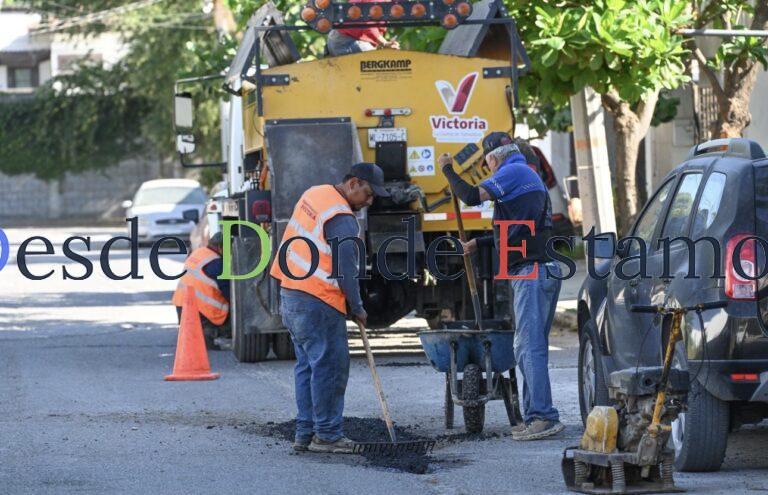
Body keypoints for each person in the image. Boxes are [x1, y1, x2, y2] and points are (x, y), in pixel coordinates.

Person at [439, 132, 564, 441]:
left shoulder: (511, 172)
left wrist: (447, 170)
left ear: (493, 158)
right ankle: (536, 414)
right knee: (527, 345)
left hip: (532, 272)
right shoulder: (524, 173)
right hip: (540, 269)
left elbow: (470, 196)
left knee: (529, 346)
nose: (489, 168)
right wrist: (479, 243)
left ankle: (543, 417)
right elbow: (517, 228)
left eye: (487, 163)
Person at [270, 163, 390, 453]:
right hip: (318, 299)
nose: (370, 201)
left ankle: (305, 432)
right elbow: (346, 270)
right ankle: (327, 435)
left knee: (308, 365)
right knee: (331, 368)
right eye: (369, 194)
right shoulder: (342, 218)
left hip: (292, 292)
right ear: (353, 183)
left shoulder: (315, 194)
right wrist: (357, 306)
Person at [172, 232, 230, 350]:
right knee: (234, 314)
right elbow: (229, 292)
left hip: (182, 305)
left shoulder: (199, 253)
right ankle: (207, 334)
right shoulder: (216, 263)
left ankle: (197, 337)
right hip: (201, 310)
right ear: (221, 247)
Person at [326, 0, 400, 56]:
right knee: (375, 61)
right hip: (345, 40)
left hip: (347, 39)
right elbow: (366, 24)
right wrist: (384, 43)